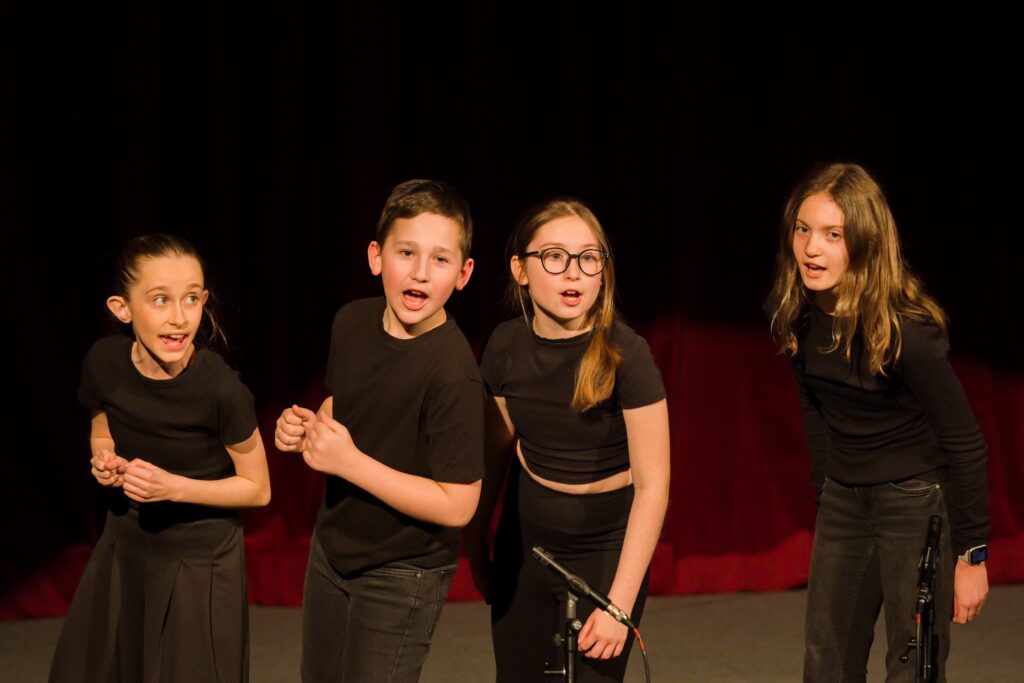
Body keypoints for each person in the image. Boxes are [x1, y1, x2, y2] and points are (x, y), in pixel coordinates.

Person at [768, 162, 990, 682]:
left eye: (833, 234)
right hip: (844, 500)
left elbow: (965, 443)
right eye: (803, 229)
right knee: (826, 664)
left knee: (913, 665)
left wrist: (972, 556)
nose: (811, 248)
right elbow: (814, 405)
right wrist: (826, 490)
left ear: (866, 242)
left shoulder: (908, 333)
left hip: (914, 501)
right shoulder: (794, 311)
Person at [274, 179, 485, 683]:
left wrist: (349, 463)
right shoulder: (351, 322)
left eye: (440, 259)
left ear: (463, 274)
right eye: (406, 252)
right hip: (333, 548)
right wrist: (310, 427)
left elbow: (459, 504)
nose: (420, 272)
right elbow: (347, 404)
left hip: (403, 571)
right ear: (376, 257)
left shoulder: (453, 373)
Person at [50, 234, 271, 683]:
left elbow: (258, 489)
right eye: (160, 300)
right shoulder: (104, 362)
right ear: (122, 308)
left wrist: (173, 488)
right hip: (126, 544)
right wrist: (104, 458)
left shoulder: (221, 390)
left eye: (191, 299)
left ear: (204, 301)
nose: (179, 317)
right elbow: (101, 427)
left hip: (199, 560)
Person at [466, 199, 670, 682]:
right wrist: (474, 545)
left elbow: (653, 485)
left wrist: (619, 604)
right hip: (526, 544)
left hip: (605, 549)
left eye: (588, 257)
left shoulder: (627, 355)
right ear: (520, 269)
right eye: (554, 256)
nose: (573, 272)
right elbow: (492, 459)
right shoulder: (504, 346)